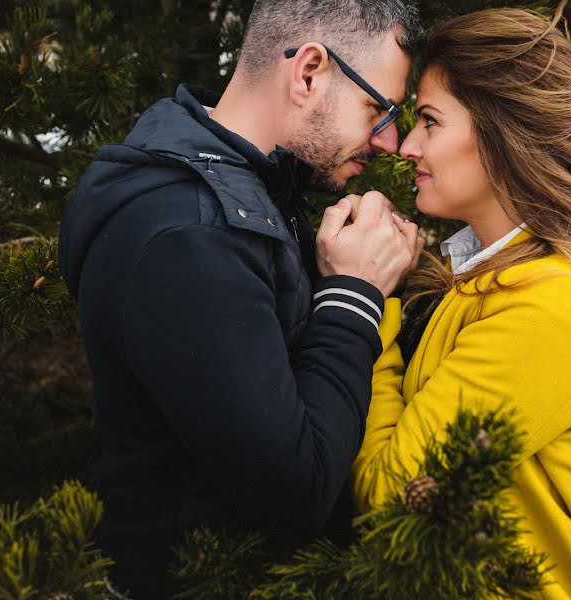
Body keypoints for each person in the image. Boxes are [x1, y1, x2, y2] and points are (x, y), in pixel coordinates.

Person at [57, 1, 424, 597]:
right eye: (378, 109)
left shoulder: (246, 182)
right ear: (308, 73)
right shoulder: (188, 235)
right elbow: (295, 494)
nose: (391, 140)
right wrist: (355, 295)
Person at [351, 5, 571, 599]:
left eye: (431, 122)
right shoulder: (479, 283)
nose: (405, 146)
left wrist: (366, 298)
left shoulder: (551, 304)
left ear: (499, 133)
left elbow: (392, 500)